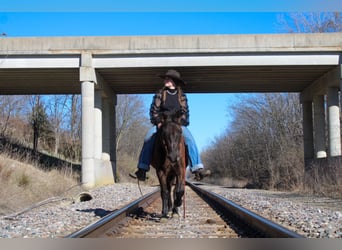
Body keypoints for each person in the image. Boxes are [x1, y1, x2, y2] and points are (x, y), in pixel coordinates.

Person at [130, 69, 210, 181]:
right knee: (148, 137)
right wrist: (158, 122)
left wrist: (180, 122)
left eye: (168, 79)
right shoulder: (160, 94)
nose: (165, 80)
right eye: (165, 79)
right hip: (162, 123)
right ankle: (142, 169)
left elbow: (185, 112)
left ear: (174, 81)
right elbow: (154, 110)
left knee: (190, 139)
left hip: (177, 124)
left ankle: (197, 169)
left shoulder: (181, 96)